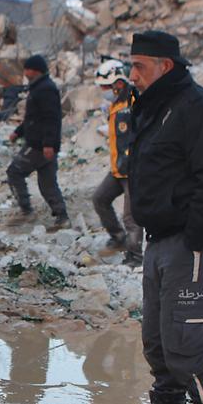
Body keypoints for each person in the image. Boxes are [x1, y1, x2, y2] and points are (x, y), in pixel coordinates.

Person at [112, 31, 203, 404]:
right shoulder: (153, 107)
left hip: (191, 240)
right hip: (160, 237)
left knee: (185, 341)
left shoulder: (201, 109)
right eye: (131, 65)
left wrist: (195, 237)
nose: (132, 75)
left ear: (165, 66)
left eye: (139, 66)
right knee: (156, 340)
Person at [6, 54, 68, 230]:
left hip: (39, 146)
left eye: (27, 69)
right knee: (47, 184)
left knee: (14, 172)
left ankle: (26, 211)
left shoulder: (45, 89)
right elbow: (33, 118)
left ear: (35, 70)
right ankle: (62, 218)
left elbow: (51, 119)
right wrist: (18, 132)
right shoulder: (39, 87)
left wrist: (48, 144)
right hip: (43, 145)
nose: (25, 73)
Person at [91, 59, 143, 266]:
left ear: (119, 83)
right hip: (118, 168)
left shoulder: (134, 101)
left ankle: (135, 257)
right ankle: (118, 237)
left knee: (131, 217)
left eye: (106, 87)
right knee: (100, 198)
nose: (103, 91)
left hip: (133, 170)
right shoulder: (116, 104)